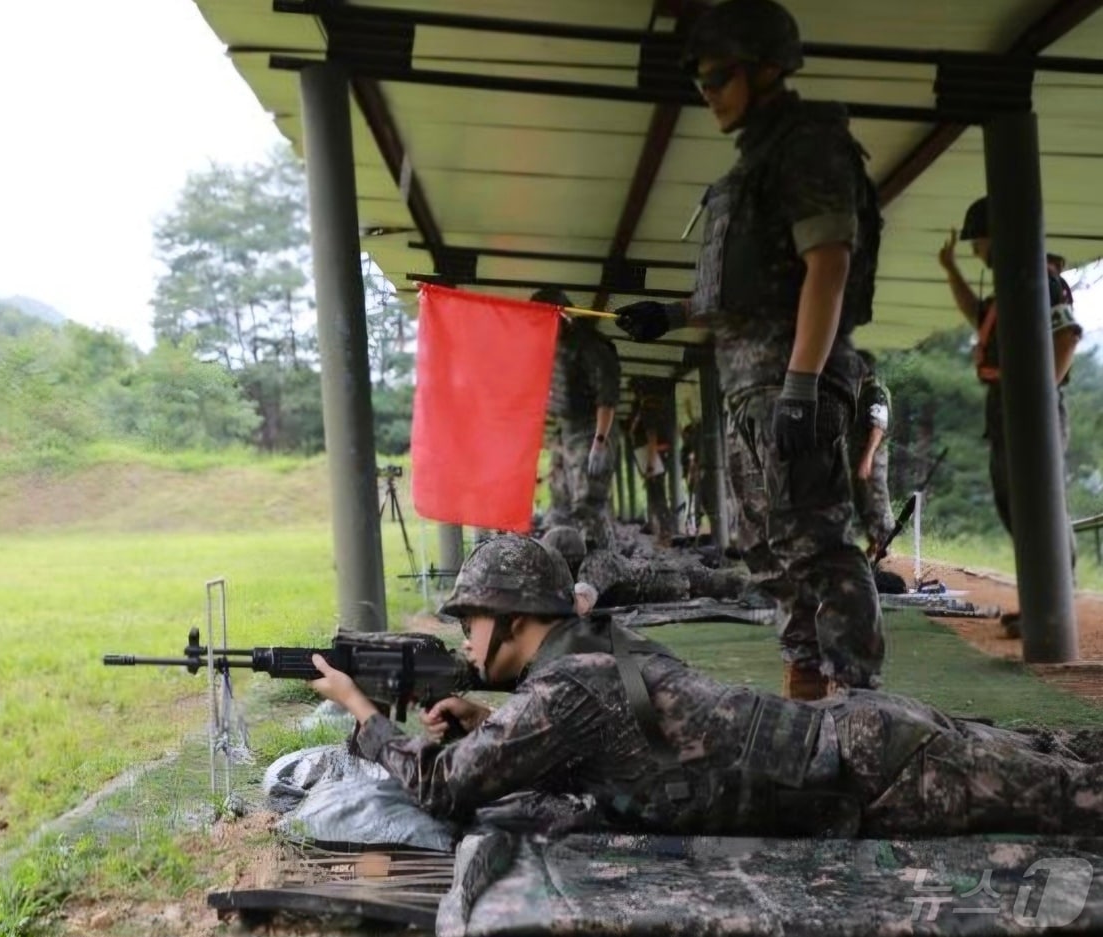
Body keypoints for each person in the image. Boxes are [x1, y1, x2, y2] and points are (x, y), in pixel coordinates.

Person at [309, 535, 1103, 837]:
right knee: (1065, 760)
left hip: (875, 771)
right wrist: (492, 713)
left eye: (471, 620)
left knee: (1082, 797)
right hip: (869, 735)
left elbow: (444, 787)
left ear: (513, 618)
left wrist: (362, 713)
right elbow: (600, 726)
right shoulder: (593, 656)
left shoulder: (564, 695)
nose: (465, 639)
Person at [612, 0, 883, 699]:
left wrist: (801, 383)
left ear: (768, 70)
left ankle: (860, 704)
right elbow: (745, 293)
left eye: (720, 77)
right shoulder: (754, 164)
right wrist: (670, 313)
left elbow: (829, 264)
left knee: (816, 548)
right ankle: (806, 693)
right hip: (749, 389)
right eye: (701, 82)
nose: (708, 94)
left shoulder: (806, 146)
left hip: (793, 385)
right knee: (767, 552)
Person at [938, 198, 1082, 637]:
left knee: (1041, 504)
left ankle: (1058, 607)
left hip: (1031, 409)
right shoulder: (1008, 293)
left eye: (976, 241)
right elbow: (977, 315)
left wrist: (1038, 399)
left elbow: (1067, 337)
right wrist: (949, 271)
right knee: (1016, 507)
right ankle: (1041, 601)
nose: (975, 250)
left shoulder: (1042, 281)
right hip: (1005, 407)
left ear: (993, 236)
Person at [536, 288, 621, 549]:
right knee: (560, 502)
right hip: (566, 429)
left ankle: (601, 570)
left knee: (588, 505)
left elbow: (607, 397)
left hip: (591, 427)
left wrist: (600, 441)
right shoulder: (552, 344)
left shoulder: (591, 346)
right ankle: (565, 568)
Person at [848, 351, 894, 558]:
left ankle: (884, 544)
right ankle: (874, 542)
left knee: (876, 499)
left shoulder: (875, 393)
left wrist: (867, 458)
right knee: (863, 500)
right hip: (858, 452)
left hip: (872, 455)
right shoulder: (860, 392)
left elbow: (878, 427)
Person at [626, 376, 677, 546]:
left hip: (654, 456)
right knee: (656, 494)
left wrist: (649, 463)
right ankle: (662, 531)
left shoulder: (649, 408)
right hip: (654, 455)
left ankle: (665, 533)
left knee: (657, 495)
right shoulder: (651, 408)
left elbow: (651, 436)